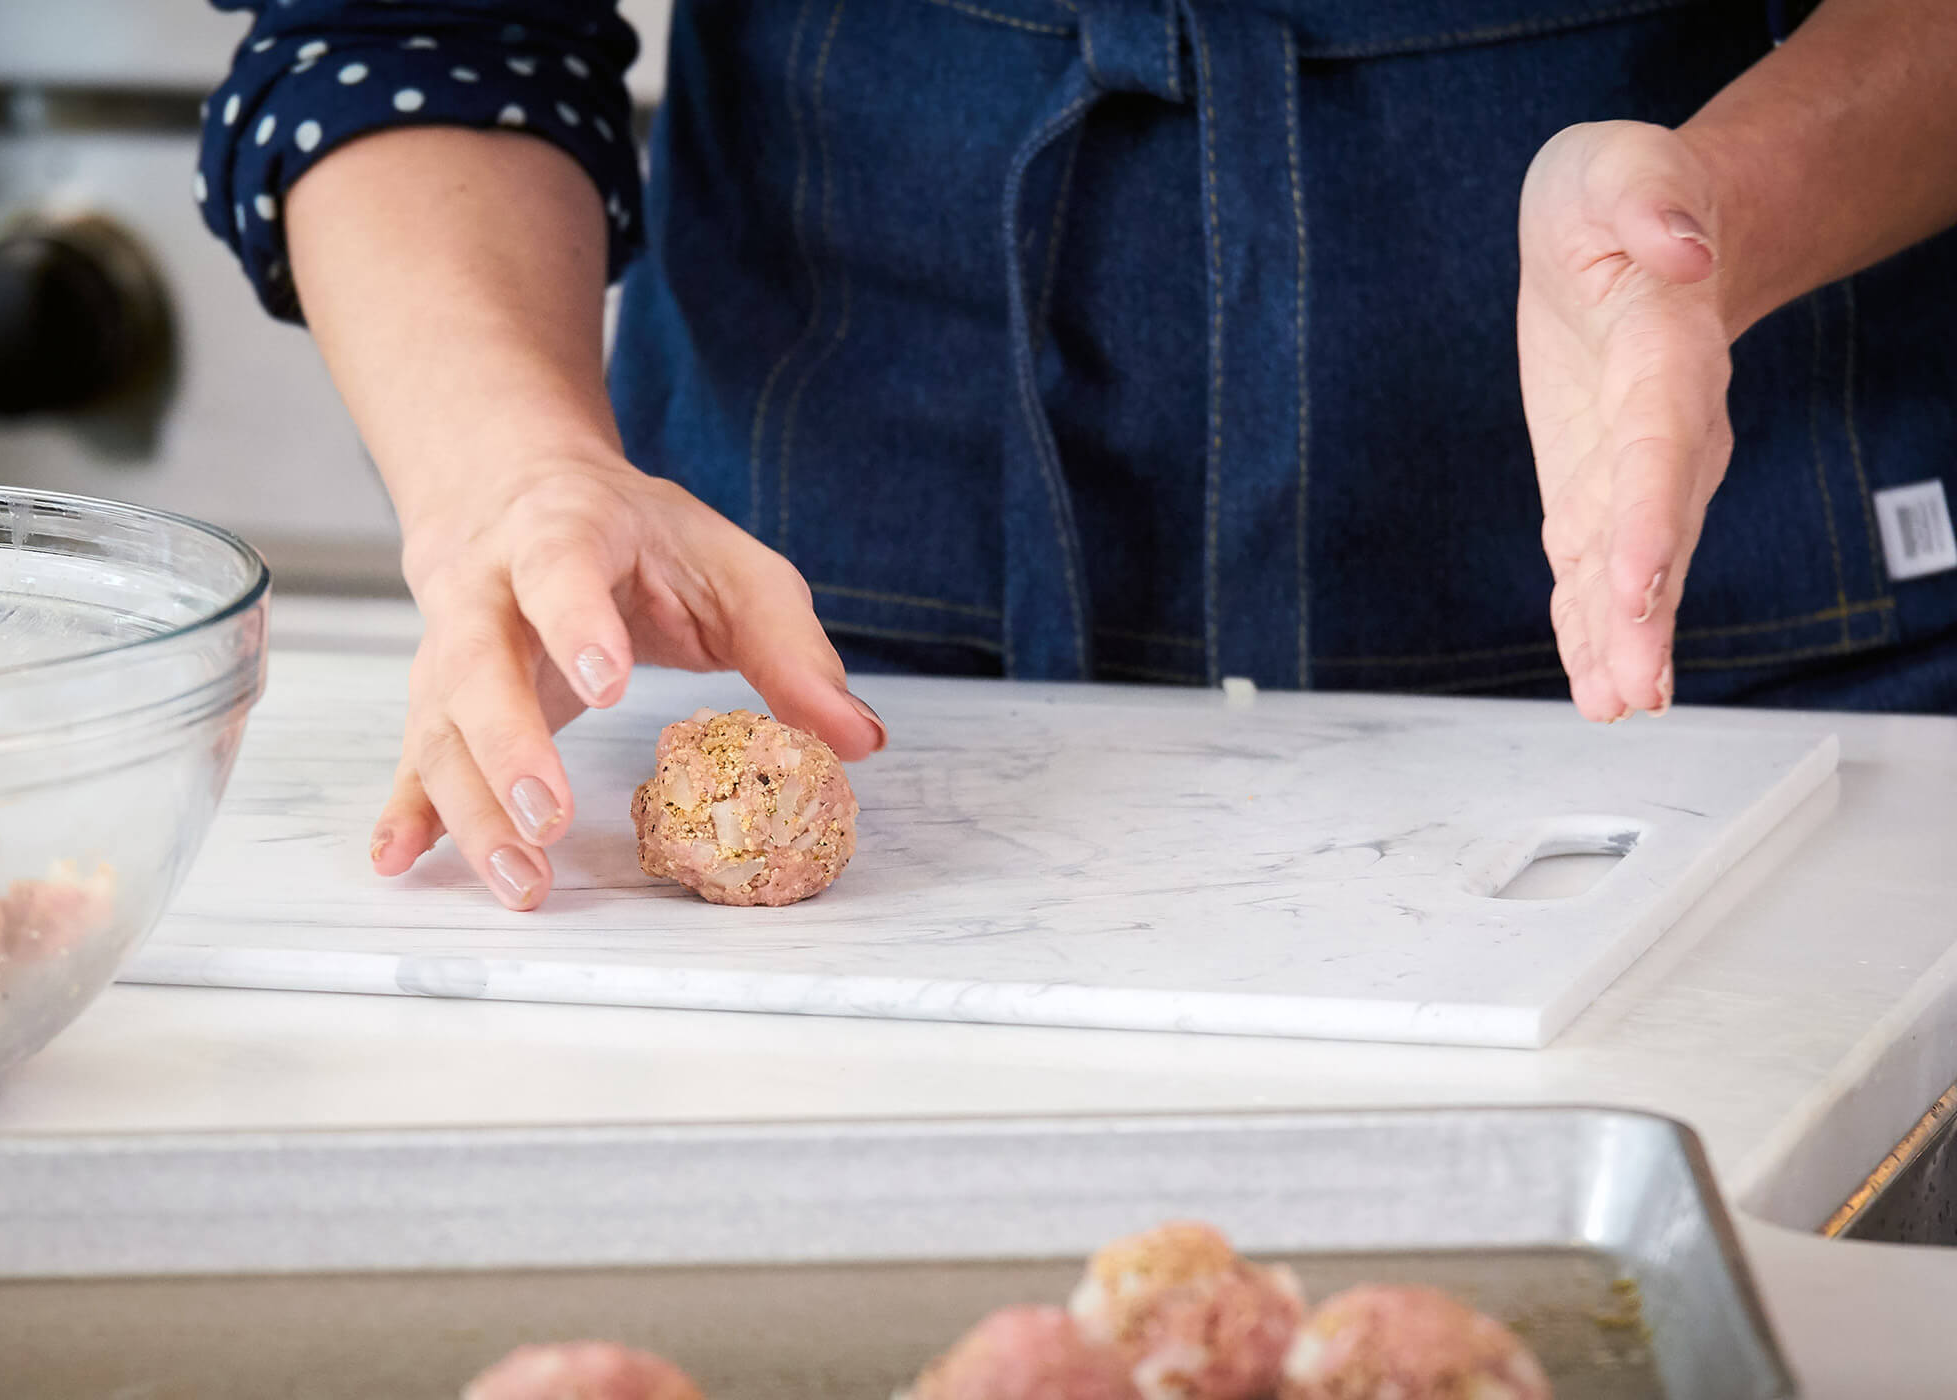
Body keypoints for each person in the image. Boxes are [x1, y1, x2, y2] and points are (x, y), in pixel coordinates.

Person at [197, 0, 1957, 910]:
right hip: (821, 607)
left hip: (1757, 601)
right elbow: (406, 29)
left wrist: (1709, 216)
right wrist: (508, 469)